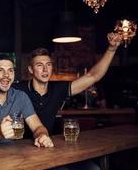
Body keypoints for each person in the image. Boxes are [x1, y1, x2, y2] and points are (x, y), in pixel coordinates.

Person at [13, 33, 121, 170]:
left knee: (93, 168)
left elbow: (93, 76)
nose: (45, 69)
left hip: (49, 148)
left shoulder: (58, 89)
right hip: (22, 152)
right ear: (31, 70)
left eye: (48, 65)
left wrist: (111, 49)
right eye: (40, 65)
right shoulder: (17, 90)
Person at [0, 54, 54, 147]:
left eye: (10, 70)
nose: (6, 75)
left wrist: (42, 135)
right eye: (0, 70)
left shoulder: (20, 97)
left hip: (15, 156)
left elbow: (38, 127)